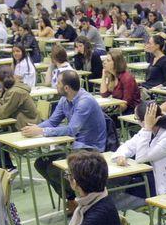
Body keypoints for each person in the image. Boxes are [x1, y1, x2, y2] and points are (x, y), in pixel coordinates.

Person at [25, 72, 110, 211]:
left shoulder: (85, 101)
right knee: (40, 163)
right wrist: (33, 129)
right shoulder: (64, 100)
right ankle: (71, 199)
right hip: (74, 145)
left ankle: (80, 198)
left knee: (54, 169)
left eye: (58, 83)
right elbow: (52, 122)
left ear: (66, 88)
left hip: (90, 148)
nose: (55, 85)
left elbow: (71, 130)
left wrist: (41, 131)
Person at [110, 101, 166, 211]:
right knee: (110, 186)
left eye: (136, 118)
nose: (136, 121)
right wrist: (122, 155)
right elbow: (129, 145)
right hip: (143, 177)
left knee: (111, 205)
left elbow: (141, 157)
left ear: (145, 121)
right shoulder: (150, 129)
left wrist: (147, 128)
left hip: (158, 185)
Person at [99, 48, 139, 114]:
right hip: (117, 108)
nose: (104, 62)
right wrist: (103, 76)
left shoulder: (127, 78)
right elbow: (104, 94)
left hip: (130, 111)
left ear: (116, 63)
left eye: (108, 61)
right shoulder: (112, 76)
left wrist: (111, 112)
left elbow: (126, 103)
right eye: (105, 60)